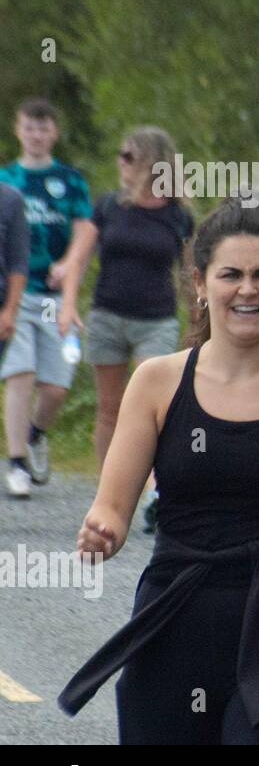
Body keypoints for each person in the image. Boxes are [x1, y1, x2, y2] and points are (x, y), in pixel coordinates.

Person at [59, 194, 259, 744]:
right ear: (201, 284)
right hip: (174, 615)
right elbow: (112, 506)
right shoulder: (158, 382)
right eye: (231, 274)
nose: (248, 290)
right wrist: (103, 532)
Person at [85, 126, 195, 531]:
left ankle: (155, 492)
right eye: (120, 154)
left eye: (128, 156)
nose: (120, 162)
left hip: (157, 320)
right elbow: (81, 253)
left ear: (153, 161)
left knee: (154, 408)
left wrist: (198, 321)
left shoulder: (178, 215)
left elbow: (190, 273)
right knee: (110, 409)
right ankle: (108, 497)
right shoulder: (109, 206)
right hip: (107, 314)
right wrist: (63, 301)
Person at [0, 98, 95, 498]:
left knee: (56, 385)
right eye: (29, 127)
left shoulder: (70, 180)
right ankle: (17, 461)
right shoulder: (7, 180)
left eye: (43, 128)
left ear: (53, 132)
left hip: (57, 296)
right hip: (15, 293)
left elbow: (86, 230)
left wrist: (69, 264)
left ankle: (35, 435)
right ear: (18, 130)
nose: (36, 135)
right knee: (19, 373)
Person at [0, 182, 29, 369]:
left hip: (46, 301)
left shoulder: (10, 199)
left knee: (54, 388)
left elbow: (18, 262)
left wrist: (10, 311)